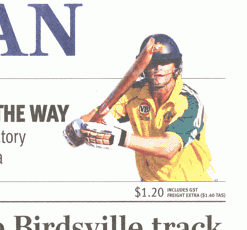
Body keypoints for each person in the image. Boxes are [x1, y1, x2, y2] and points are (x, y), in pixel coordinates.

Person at [65, 34, 212, 181]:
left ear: (176, 66)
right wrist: (78, 126)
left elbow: (169, 148)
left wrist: (122, 138)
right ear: (144, 66)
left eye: (165, 62)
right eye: (153, 63)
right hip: (149, 184)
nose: (158, 68)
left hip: (191, 184)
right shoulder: (134, 93)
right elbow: (99, 114)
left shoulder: (189, 101)